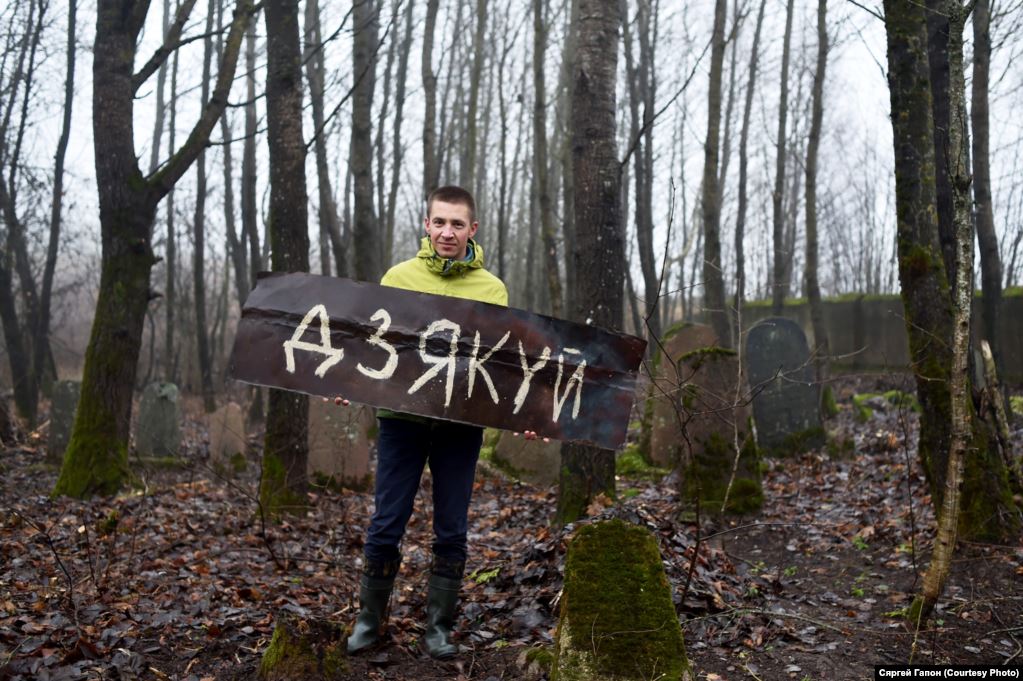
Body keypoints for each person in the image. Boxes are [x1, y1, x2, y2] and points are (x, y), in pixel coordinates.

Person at [346, 185, 508, 659]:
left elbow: (500, 365)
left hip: (460, 425)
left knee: (452, 526)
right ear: (426, 224)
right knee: (386, 521)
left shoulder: (491, 290)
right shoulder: (398, 277)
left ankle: (438, 626)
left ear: (472, 230)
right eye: (439, 222)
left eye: (457, 224)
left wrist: (527, 418)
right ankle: (369, 622)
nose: (447, 232)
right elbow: (373, 348)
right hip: (402, 419)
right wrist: (344, 383)